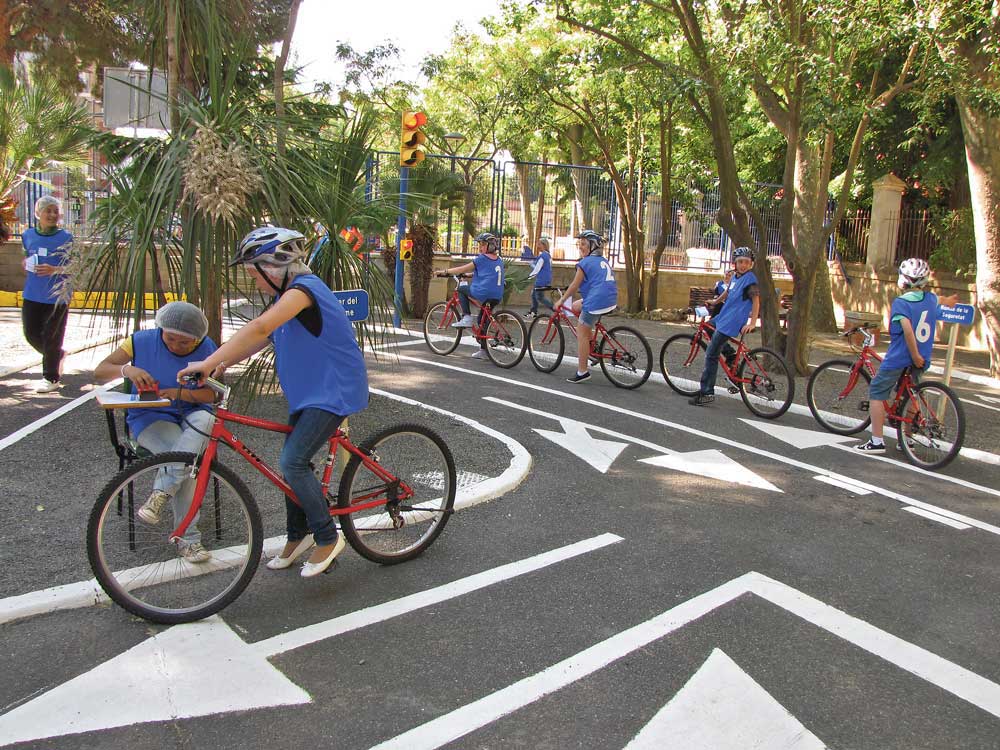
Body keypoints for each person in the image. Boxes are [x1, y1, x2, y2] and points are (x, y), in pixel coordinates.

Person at [178, 227, 369, 578]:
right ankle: (299, 536)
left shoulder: (303, 291)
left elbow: (260, 328)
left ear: (276, 266)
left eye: (255, 273)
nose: (255, 281)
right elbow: (262, 338)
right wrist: (223, 361)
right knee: (291, 466)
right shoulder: (287, 297)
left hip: (333, 391)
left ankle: (327, 537)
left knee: (293, 462)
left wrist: (205, 362)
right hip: (310, 393)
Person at [94, 302, 220, 563]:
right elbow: (99, 372)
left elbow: (212, 394)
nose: (175, 345)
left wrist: (177, 393)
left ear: (197, 339)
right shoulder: (139, 341)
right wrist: (126, 369)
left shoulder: (208, 348)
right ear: (160, 329)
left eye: (184, 343)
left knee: (206, 422)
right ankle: (189, 539)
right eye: (170, 338)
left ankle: (162, 492)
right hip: (149, 416)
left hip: (192, 410)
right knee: (186, 461)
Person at [855, 258, 958, 453]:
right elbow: (941, 300)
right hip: (923, 358)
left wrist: (914, 354)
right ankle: (907, 439)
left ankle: (877, 441)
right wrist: (950, 302)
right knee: (912, 395)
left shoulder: (901, 303)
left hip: (901, 357)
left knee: (877, 391)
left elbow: (908, 331)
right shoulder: (930, 299)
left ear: (903, 280)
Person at [688, 246, 760, 406]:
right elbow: (727, 292)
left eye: (747, 262)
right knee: (707, 327)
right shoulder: (735, 277)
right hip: (723, 317)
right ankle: (731, 355)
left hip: (732, 321)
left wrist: (752, 323)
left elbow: (756, 301)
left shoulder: (750, 280)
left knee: (711, 354)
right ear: (735, 263)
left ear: (751, 264)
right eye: (740, 262)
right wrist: (715, 301)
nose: (743, 265)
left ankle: (706, 392)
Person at [21, 196, 72, 393]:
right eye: (47, 211)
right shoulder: (27, 235)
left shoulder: (67, 237)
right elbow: (25, 256)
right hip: (32, 293)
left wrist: (54, 270)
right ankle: (56, 355)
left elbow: (77, 266)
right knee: (31, 333)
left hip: (58, 296)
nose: (51, 215)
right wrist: (25, 263)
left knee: (53, 336)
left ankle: (51, 377)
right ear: (38, 213)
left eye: (54, 211)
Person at [553, 230, 618, 384]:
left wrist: (561, 301)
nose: (580, 247)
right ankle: (592, 346)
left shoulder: (584, 263)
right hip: (610, 298)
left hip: (596, 301)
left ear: (592, 247)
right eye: (579, 244)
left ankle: (582, 372)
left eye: (583, 244)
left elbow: (574, 286)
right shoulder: (602, 260)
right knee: (576, 307)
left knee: (581, 332)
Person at [435, 231, 505, 360]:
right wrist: (470, 275)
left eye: (483, 244)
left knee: (462, 288)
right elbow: (488, 273)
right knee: (482, 320)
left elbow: (462, 269)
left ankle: (466, 317)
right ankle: (484, 350)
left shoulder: (482, 258)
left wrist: (445, 271)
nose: (480, 247)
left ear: (490, 246)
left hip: (484, 292)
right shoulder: (498, 260)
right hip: (497, 294)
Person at [525, 237, 555, 320]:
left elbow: (537, 268)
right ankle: (533, 311)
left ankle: (555, 309)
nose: (538, 246)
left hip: (541, 280)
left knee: (540, 297)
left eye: (539, 244)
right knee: (534, 294)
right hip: (546, 279)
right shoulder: (548, 256)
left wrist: (529, 276)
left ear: (544, 245)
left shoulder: (543, 256)